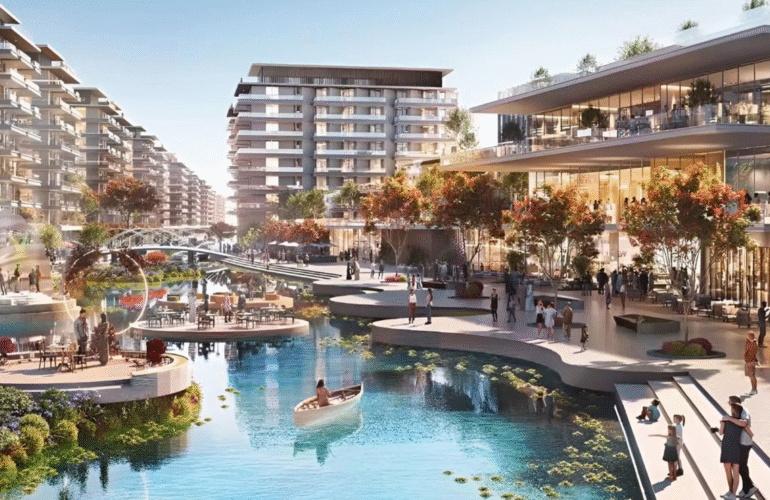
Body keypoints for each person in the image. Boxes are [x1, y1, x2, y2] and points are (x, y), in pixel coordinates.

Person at [722, 395, 758, 499]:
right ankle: (746, 487)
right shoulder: (736, 412)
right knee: (740, 466)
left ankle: (749, 487)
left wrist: (728, 418)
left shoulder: (744, 411)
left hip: (745, 443)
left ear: (734, 403)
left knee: (742, 466)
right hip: (739, 443)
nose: (728, 403)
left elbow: (744, 423)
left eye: (729, 401)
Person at [719, 403, 750, 500]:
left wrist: (725, 420)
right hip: (732, 447)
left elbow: (721, 432)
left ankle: (732, 493)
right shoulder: (732, 420)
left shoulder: (731, 420)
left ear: (735, 410)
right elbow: (721, 432)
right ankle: (731, 492)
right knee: (731, 469)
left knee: (732, 470)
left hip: (732, 446)